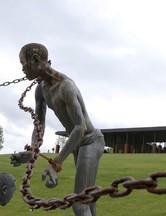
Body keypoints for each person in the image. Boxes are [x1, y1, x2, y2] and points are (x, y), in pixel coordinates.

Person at [10, 43, 105, 216]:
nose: (22, 69)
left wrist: (56, 163)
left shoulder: (66, 86)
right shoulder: (41, 90)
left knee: (80, 204)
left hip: (91, 141)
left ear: (36, 60)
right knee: (87, 199)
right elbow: (39, 125)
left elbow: (80, 127)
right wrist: (32, 151)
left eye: (24, 64)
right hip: (78, 143)